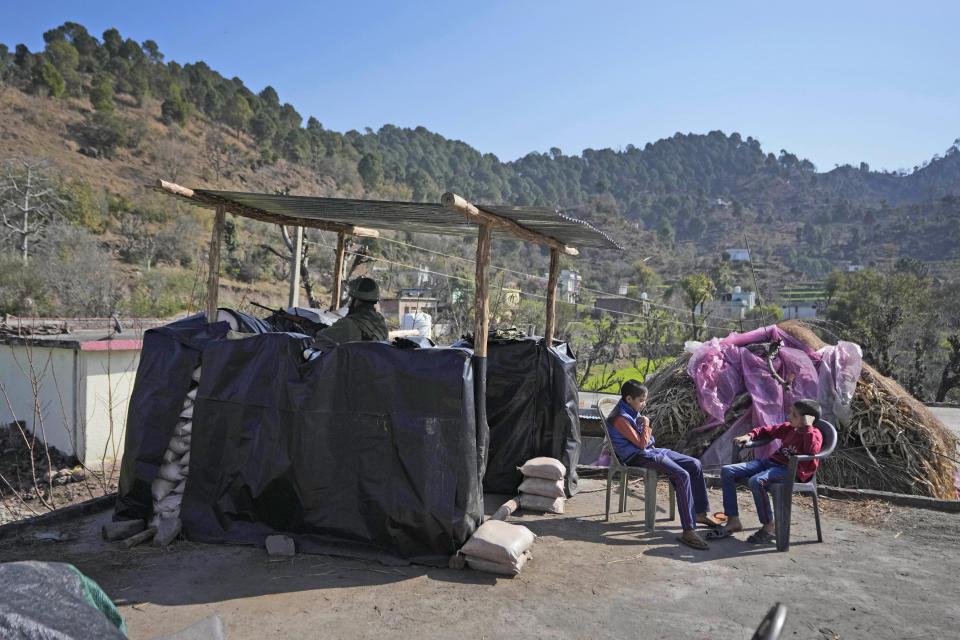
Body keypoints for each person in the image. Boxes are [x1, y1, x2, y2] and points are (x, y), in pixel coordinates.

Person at [606, 379, 719, 550]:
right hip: (637, 456)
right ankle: (688, 530)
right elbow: (641, 444)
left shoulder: (631, 409)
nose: (644, 404)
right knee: (682, 475)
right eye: (642, 400)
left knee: (694, 464)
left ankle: (700, 513)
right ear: (629, 399)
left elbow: (646, 443)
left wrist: (643, 425)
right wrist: (646, 424)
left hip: (652, 451)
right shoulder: (620, 417)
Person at [716, 399, 824, 544]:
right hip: (770, 464)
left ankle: (769, 526)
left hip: (790, 471)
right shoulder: (789, 428)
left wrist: (808, 428)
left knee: (756, 481)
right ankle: (733, 519)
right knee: (727, 471)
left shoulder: (815, 434)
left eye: (794, 415)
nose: (789, 416)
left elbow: (812, 451)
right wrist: (749, 436)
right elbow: (766, 430)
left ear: (806, 419)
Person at [311, 277, 388, 351]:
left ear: (356, 301)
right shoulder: (380, 321)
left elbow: (320, 339)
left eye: (352, 299)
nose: (350, 302)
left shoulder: (349, 323)